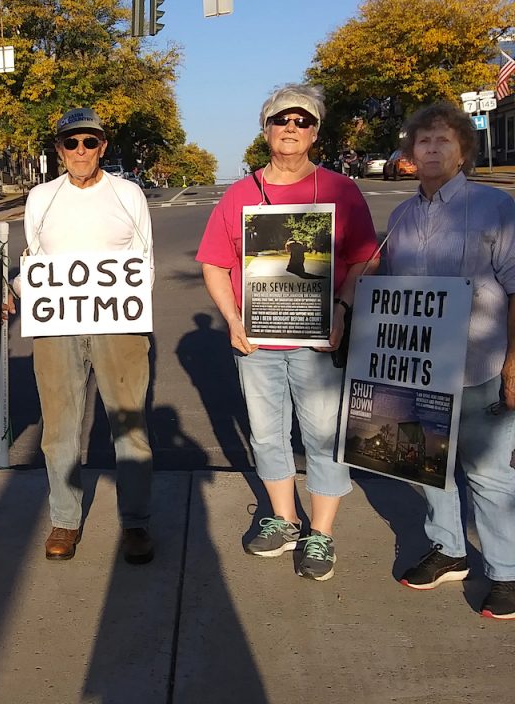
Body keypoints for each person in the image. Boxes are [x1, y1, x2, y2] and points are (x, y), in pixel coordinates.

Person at [196, 84, 378, 581]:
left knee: (322, 435)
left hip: (319, 340)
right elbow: (214, 263)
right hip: (257, 341)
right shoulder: (240, 194)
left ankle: (321, 532)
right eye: (282, 120)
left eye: (302, 121)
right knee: (266, 434)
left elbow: (365, 258)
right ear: (266, 130)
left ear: (315, 133)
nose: (291, 128)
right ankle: (284, 519)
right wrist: (233, 319)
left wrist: (341, 309)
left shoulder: (340, 190)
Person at [380, 102, 515, 620]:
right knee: (424, 464)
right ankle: (449, 550)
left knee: (488, 474)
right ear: (411, 153)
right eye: (424, 141)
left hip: (480, 364)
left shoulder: (494, 207)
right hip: (417, 367)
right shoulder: (400, 218)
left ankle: (505, 572)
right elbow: (388, 292)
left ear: (463, 151)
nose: (433, 149)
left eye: (444, 141)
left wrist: (513, 364)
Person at [21, 107, 155, 564]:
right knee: (59, 427)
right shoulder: (41, 197)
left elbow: (145, 259)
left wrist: (132, 310)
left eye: (89, 142)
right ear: (59, 150)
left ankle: (135, 522)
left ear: (103, 146)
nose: (81, 151)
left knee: (129, 426)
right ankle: (65, 519)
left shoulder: (127, 194)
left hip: (118, 326)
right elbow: (33, 259)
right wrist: (19, 290)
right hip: (56, 327)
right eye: (71, 142)